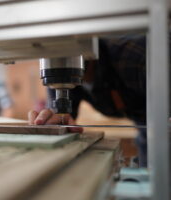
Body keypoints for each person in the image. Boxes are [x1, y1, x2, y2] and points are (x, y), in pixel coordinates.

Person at [28, 35, 171, 167]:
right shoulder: (62, 75)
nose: (58, 61)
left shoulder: (134, 58)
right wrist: (53, 119)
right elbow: (62, 118)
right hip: (148, 124)